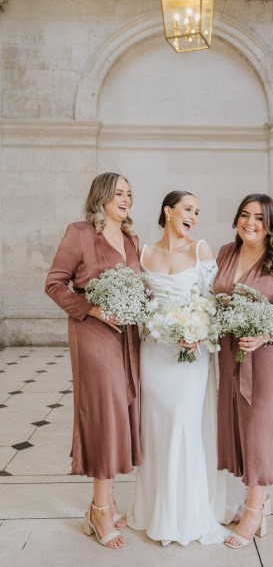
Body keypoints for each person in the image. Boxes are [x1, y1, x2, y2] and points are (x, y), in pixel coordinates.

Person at [45, 172, 142, 549]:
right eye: (119, 193)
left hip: (128, 338)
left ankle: (108, 500)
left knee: (122, 411)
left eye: (130, 194)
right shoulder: (80, 232)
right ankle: (100, 509)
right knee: (105, 413)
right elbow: (54, 283)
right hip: (93, 333)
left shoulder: (133, 239)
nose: (126, 199)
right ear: (101, 197)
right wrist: (92, 309)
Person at [127, 190, 229, 546]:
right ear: (168, 211)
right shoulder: (143, 253)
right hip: (154, 351)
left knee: (183, 424)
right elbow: (140, 303)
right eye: (188, 209)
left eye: (197, 211)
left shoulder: (200, 249)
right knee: (156, 427)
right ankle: (156, 508)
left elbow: (213, 301)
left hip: (191, 353)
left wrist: (198, 332)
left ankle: (186, 515)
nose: (194, 216)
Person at [213, 193, 273, 549]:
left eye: (260, 218)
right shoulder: (225, 252)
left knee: (261, 427)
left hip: (268, 356)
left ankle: (255, 507)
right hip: (229, 352)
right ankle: (253, 498)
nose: (250, 223)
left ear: (271, 225)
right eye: (245, 215)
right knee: (238, 421)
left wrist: (265, 334)